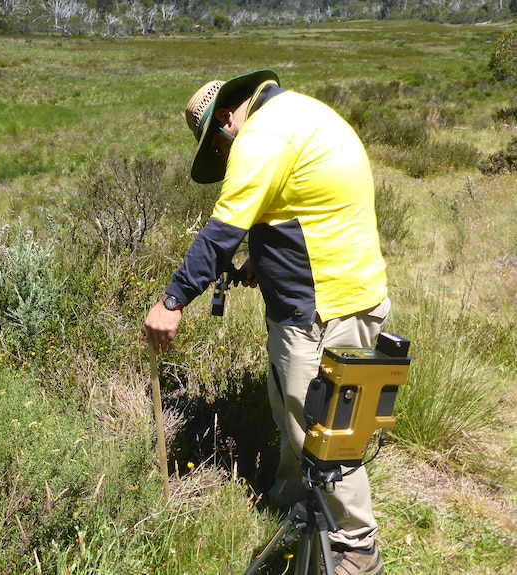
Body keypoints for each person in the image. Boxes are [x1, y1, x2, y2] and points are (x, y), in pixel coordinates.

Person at [142, 70, 390, 575]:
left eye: (215, 144)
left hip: (319, 310)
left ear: (225, 122)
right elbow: (309, 205)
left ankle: (355, 547)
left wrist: (172, 301)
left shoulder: (261, 136)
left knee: (323, 434)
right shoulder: (300, 112)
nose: (224, 154)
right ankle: (293, 499)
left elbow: (222, 230)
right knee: (298, 413)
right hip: (354, 294)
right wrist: (265, 258)